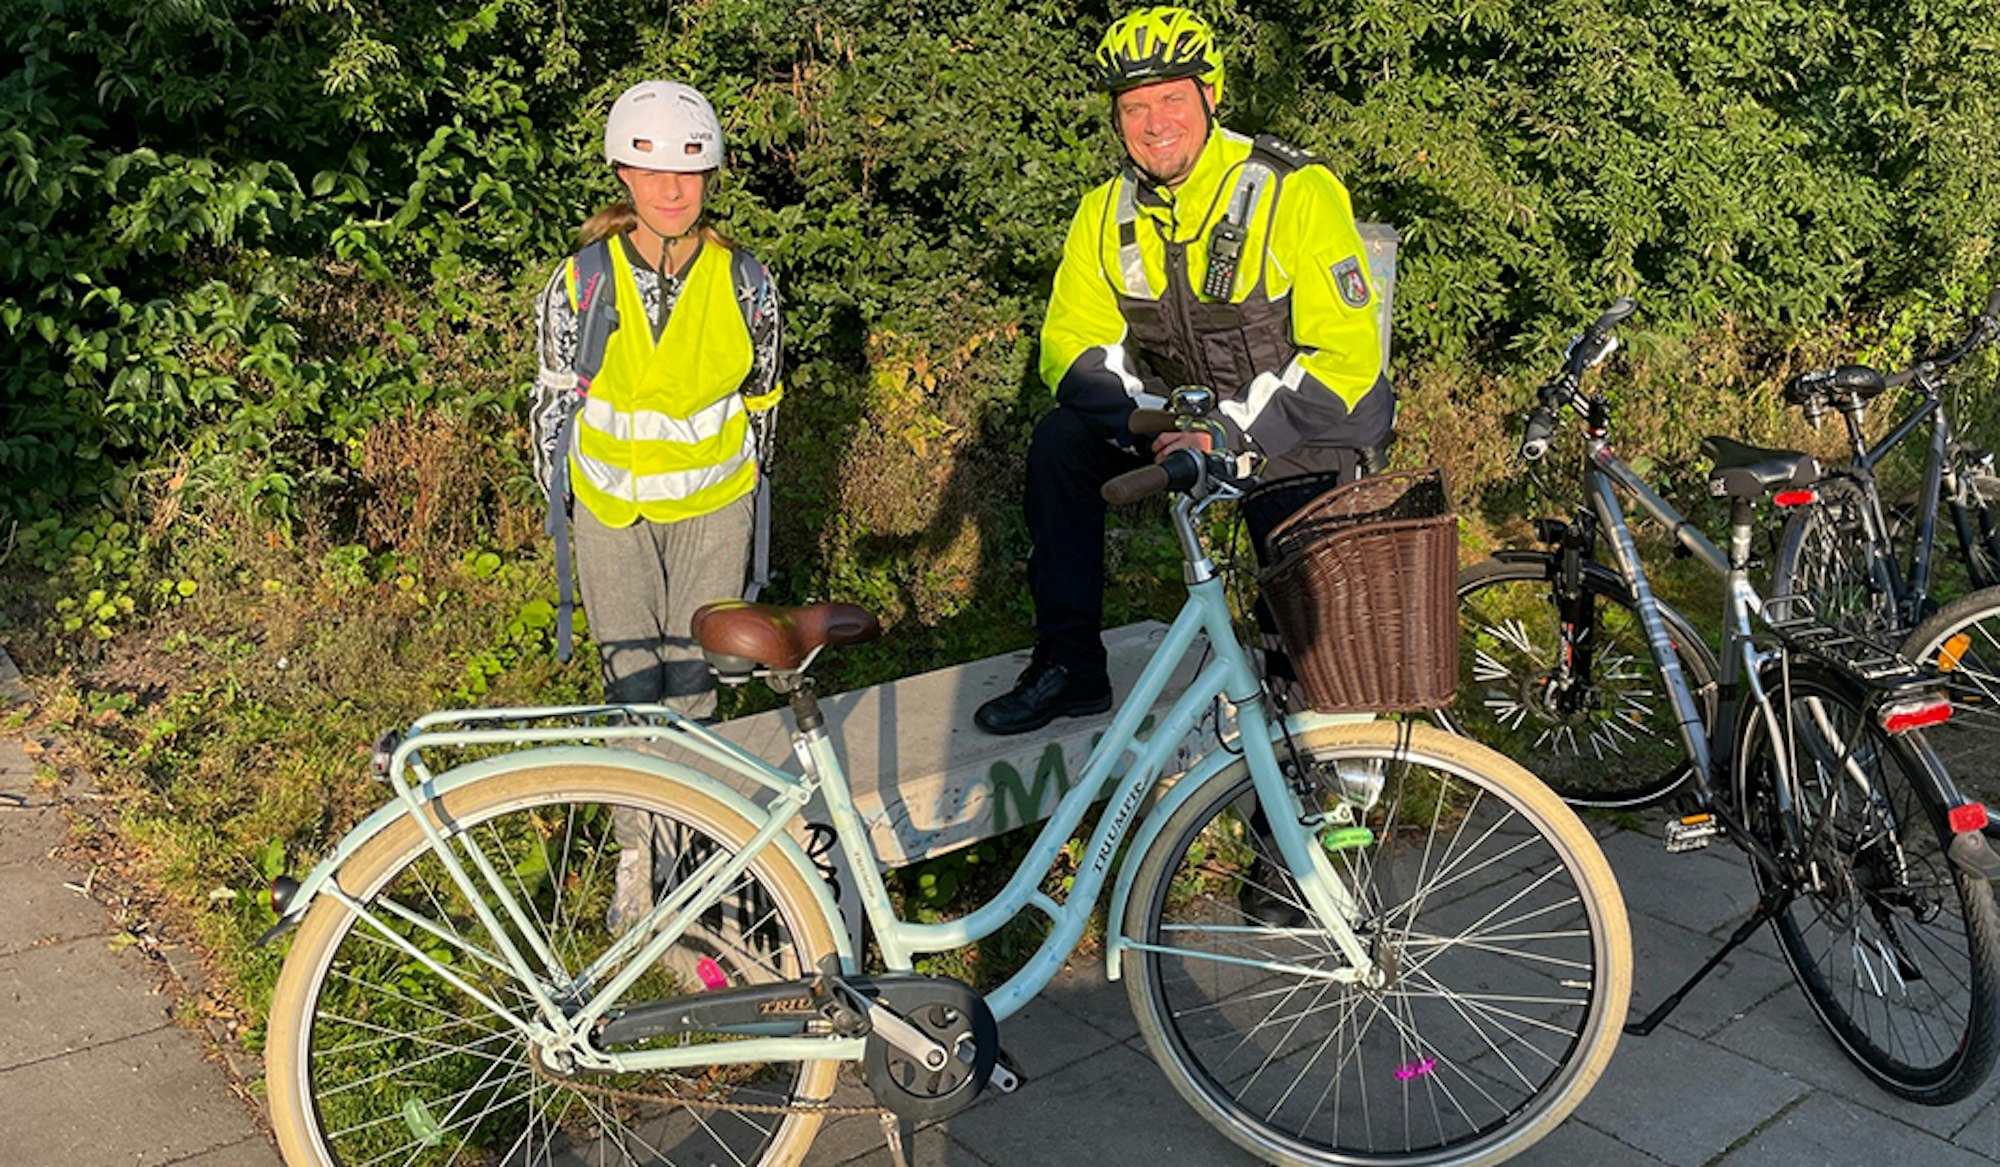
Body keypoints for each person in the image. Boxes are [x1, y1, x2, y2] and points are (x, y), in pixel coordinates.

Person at [975, 6, 1395, 735]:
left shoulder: (1295, 189)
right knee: (1059, 443)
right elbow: (1071, 348)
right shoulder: (1104, 212)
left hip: (1303, 426)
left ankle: (1304, 760)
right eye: (1133, 106)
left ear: (1210, 96)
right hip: (1187, 420)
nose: (1153, 121)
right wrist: (1162, 425)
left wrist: (1230, 435)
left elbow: (1347, 355)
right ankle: (1070, 665)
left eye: (1171, 98)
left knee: (1297, 633)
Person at [531, 80, 782, 928]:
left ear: (711, 177)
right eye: (653, 175)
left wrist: (750, 506)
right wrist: (562, 503)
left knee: (696, 681)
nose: (672, 192)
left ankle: (693, 858)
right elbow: (553, 403)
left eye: (690, 174)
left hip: (715, 505)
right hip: (610, 507)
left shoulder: (747, 280)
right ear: (622, 177)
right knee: (631, 683)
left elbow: (764, 402)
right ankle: (638, 859)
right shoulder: (579, 283)